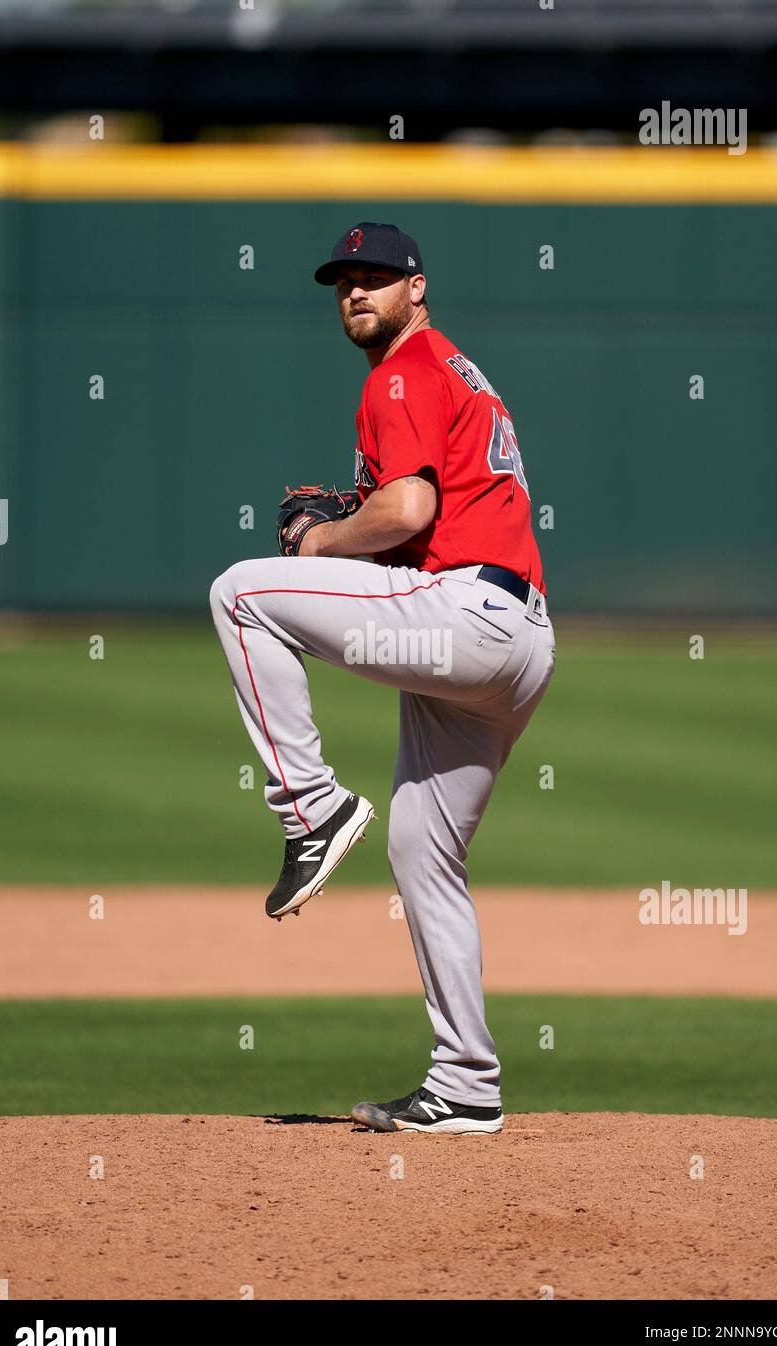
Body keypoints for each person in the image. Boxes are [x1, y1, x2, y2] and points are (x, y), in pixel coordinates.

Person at [210, 222, 555, 1135]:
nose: (356, 292)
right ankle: (467, 1084)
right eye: (343, 282)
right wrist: (367, 524)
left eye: (375, 277)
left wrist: (325, 536)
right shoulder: (455, 370)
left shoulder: (400, 372)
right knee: (422, 853)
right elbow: (421, 517)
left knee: (242, 593)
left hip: (464, 615)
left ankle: (312, 808)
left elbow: (409, 507)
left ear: (418, 288)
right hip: (518, 643)